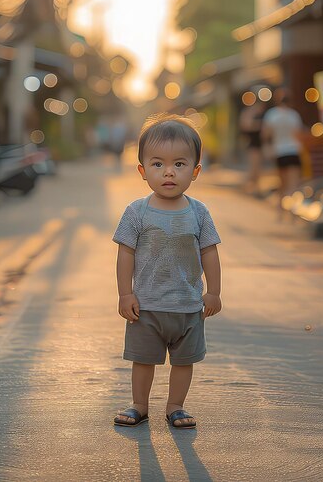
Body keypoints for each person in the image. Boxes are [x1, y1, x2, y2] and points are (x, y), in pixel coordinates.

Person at [112, 113, 222, 429]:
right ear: (143, 171)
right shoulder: (137, 211)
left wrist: (213, 291)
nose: (169, 172)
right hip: (145, 306)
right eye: (158, 164)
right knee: (143, 359)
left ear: (196, 170)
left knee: (184, 361)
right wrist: (125, 293)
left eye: (180, 164)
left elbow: (209, 252)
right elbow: (125, 253)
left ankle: (176, 406)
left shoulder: (199, 213)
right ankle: (139, 404)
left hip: (188, 306)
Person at [262, 90, 304, 214]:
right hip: (294, 150)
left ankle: (280, 211)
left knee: (282, 183)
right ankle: (293, 211)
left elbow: (265, 134)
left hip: (279, 151)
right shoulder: (294, 115)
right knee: (294, 184)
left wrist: (267, 147)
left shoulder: (272, 114)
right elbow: (298, 133)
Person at [239, 99, 266, 196]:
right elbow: (246, 126)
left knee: (257, 168)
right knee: (253, 168)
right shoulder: (249, 112)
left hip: (259, 144)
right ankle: (246, 187)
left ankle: (256, 188)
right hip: (253, 144)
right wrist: (260, 125)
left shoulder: (260, 114)